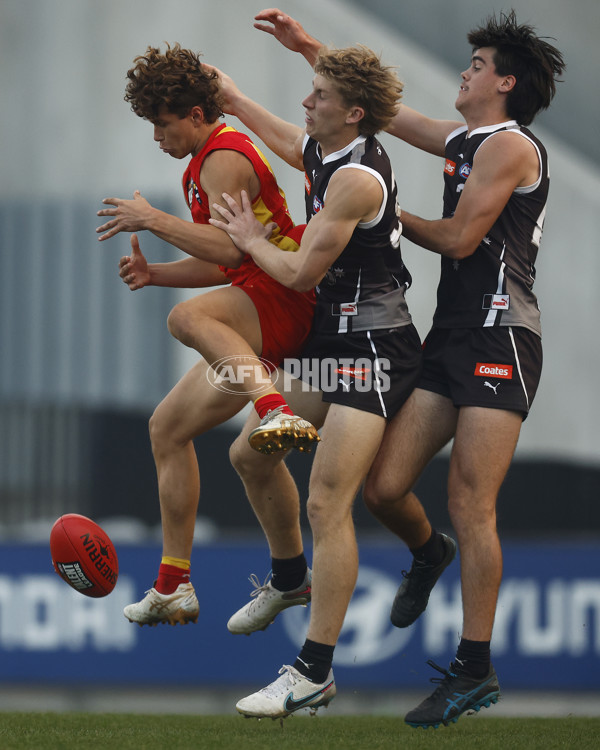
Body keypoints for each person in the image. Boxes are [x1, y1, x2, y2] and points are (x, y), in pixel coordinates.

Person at [251, 8, 566, 729]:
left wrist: (383, 212)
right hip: (449, 338)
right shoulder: (468, 137)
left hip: (501, 338)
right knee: (386, 487)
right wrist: (310, 51)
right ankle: (429, 555)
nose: (467, 70)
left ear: (505, 83)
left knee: (471, 501)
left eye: (479, 64)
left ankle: (473, 667)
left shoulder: (511, 147)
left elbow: (459, 240)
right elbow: (376, 113)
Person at [209, 42, 422, 718]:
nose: (307, 102)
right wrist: (233, 98)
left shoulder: (357, 180)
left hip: (375, 349)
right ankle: (290, 578)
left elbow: (298, 273)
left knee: (328, 503)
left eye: (320, 95)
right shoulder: (327, 151)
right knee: (248, 452)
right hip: (335, 342)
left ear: (353, 113)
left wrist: (248, 239)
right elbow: (288, 139)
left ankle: (314, 671)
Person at [95, 42, 319, 627]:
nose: (156, 137)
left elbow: (230, 247)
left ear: (195, 116)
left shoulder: (223, 156)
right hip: (257, 297)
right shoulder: (203, 163)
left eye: (161, 124)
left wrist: (152, 220)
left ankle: (271, 406)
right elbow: (226, 265)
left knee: (188, 320)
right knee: (167, 428)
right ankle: (174, 584)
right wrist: (155, 273)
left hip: (288, 298)